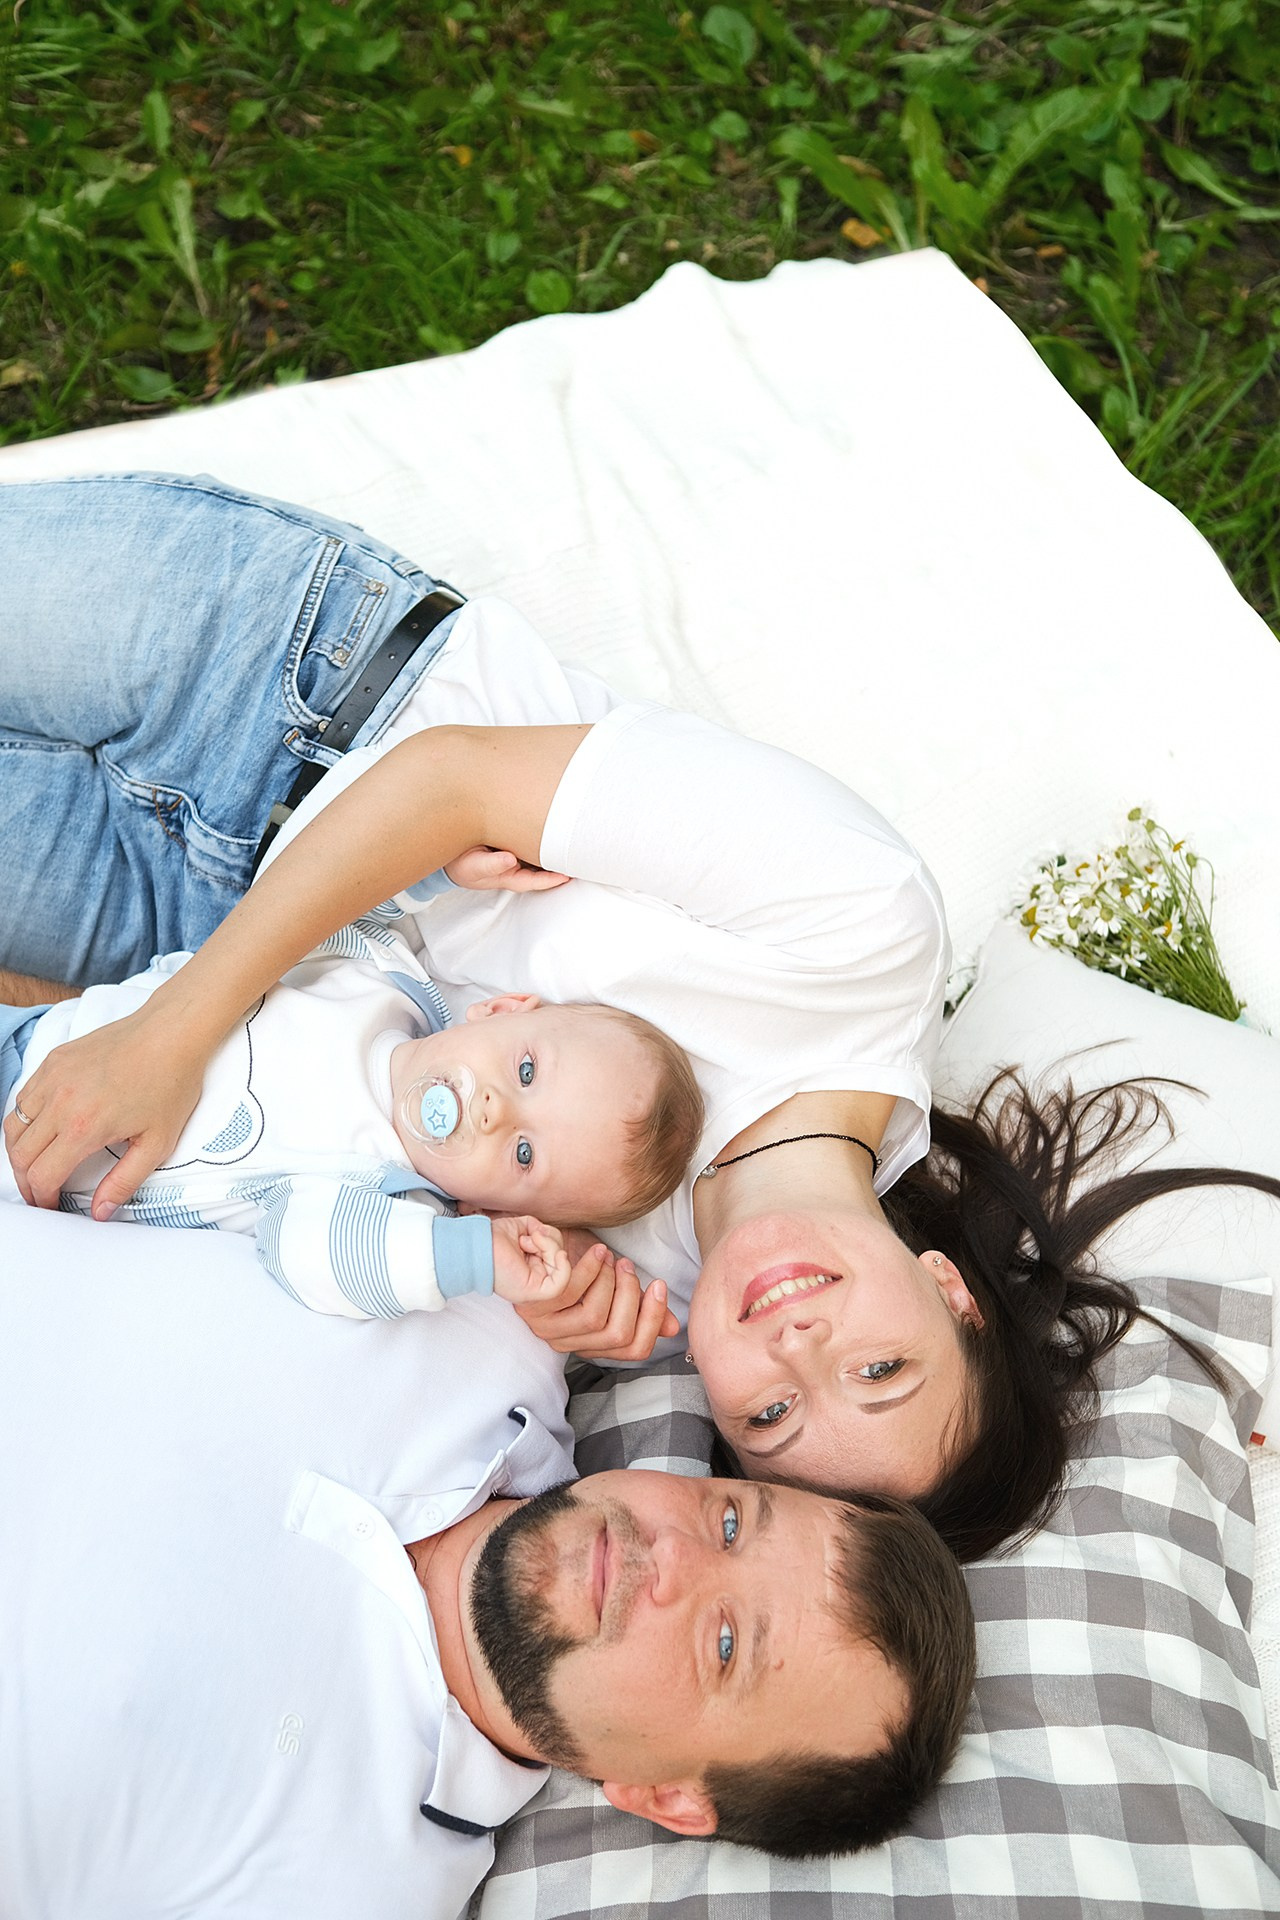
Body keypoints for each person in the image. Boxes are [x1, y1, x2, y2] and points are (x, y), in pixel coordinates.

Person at [0, 1198, 977, 1915]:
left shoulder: (344, 1884)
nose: (667, 1555)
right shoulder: (495, 1315)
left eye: (725, 1644)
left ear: (668, 1797)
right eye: (728, 1522)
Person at [0, 880, 703, 1322]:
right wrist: (440, 873)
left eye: (523, 1152)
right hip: (44, 1034)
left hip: (24, 1161)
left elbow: (310, 1253)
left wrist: (471, 1257)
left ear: (500, 1208)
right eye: (525, 1071)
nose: (496, 1111)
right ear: (501, 1010)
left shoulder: (387, 1197)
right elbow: (317, 899)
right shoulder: (385, 976)